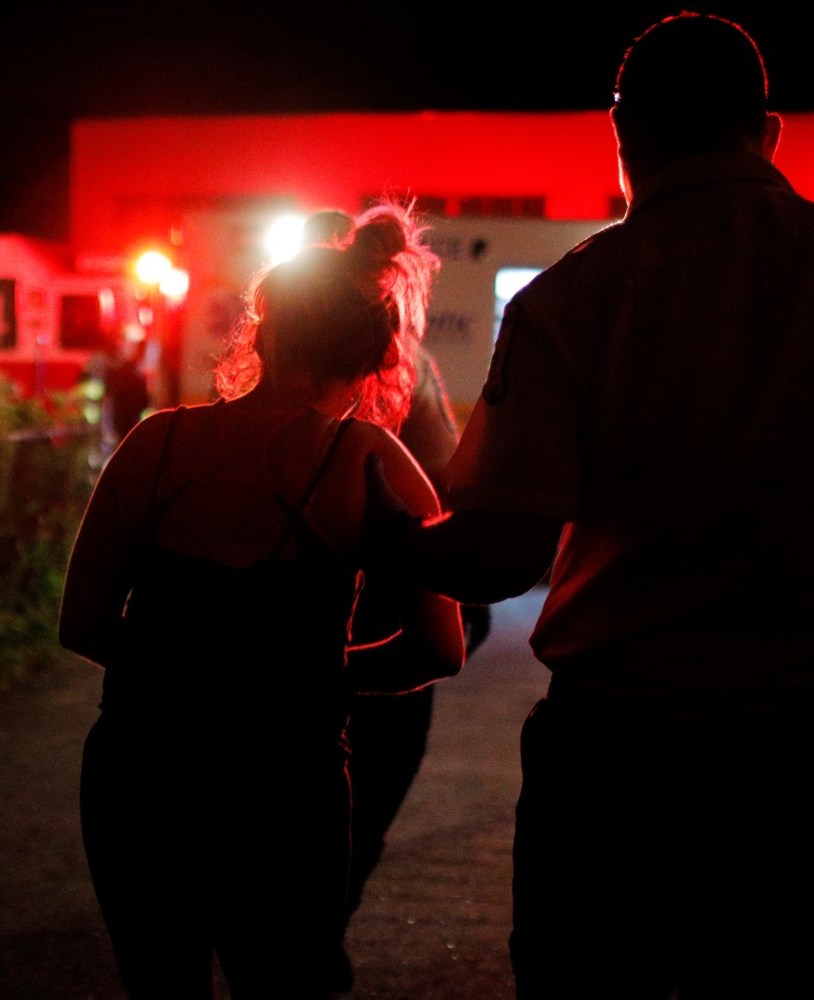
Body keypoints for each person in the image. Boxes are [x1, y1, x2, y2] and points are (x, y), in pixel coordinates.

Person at [368, 12, 814, 999]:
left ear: (622, 133)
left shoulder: (572, 299)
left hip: (615, 760)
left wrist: (378, 533)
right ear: (769, 133)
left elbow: (505, 552)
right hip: (808, 757)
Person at [59, 201, 465, 999]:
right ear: (374, 359)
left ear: (263, 332)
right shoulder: (370, 462)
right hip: (286, 783)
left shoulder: (154, 444)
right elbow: (439, 648)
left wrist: (184, 675)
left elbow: (82, 621)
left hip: (141, 772)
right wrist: (312, 678)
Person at [301, 208, 491, 992]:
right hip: (391, 613)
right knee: (365, 804)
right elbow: (448, 485)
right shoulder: (407, 364)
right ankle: (319, 936)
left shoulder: (280, 377)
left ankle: (295, 938)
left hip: (299, 614)